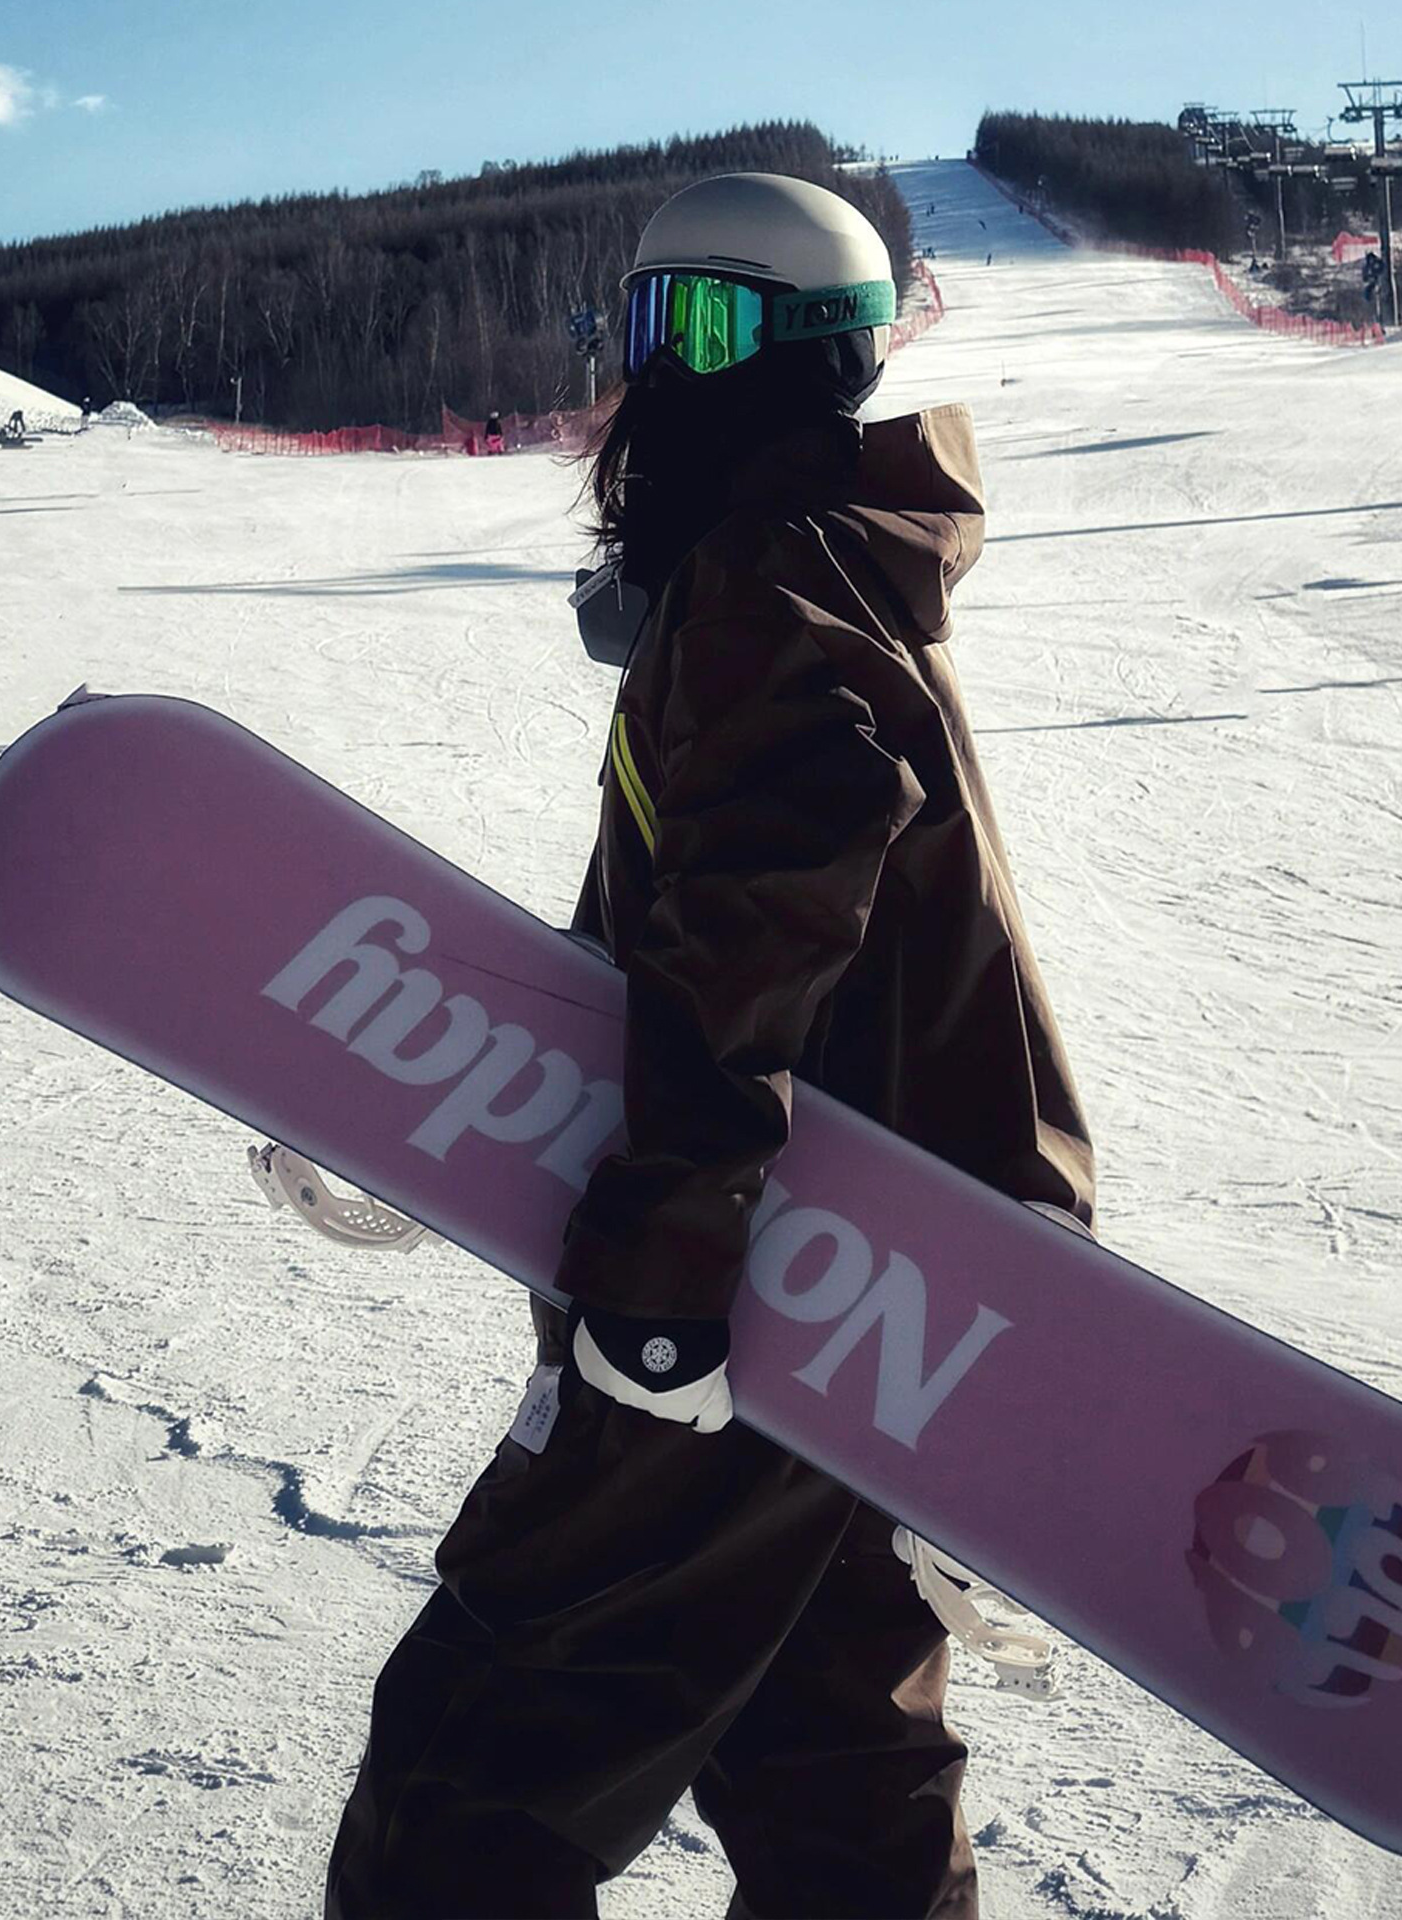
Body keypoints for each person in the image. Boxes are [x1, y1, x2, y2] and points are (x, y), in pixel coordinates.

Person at [326, 171, 1094, 1920]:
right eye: (647, 327)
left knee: (480, 1763)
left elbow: (769, 899)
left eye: (692, 327)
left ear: (761, 347)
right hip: (895, 1281)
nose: (642, 377)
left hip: (763, 1276)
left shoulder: (765, 579)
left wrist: (664, 1285)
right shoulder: (822, 558)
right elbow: (705, 936)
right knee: (834, 1765)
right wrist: (450, 1089)